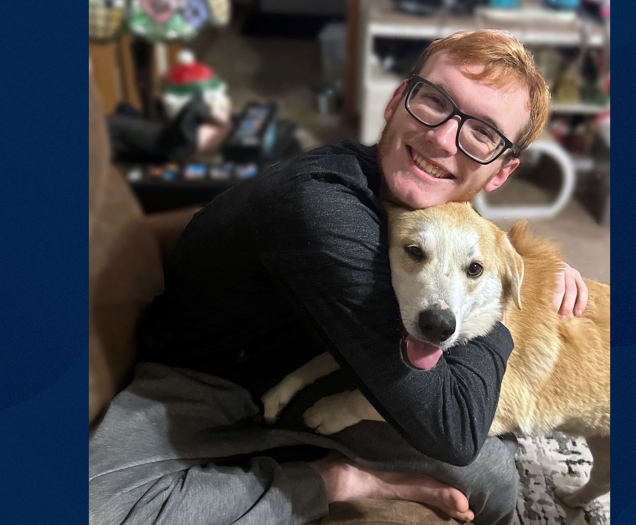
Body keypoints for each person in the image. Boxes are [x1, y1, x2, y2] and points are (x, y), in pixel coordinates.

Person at [89, 29, 588, 525]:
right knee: (93, 508)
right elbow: (453, 427)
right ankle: (334, 479)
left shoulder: (426, 198)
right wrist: (498, 297)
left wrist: (520, 268)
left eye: (482, 133)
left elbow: (460, 233)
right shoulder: (322, 206)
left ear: (501, 171)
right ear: (398, 99)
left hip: (325, 361)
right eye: (435, 101)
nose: (442, 138)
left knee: (495, 476)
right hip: (210, 378)